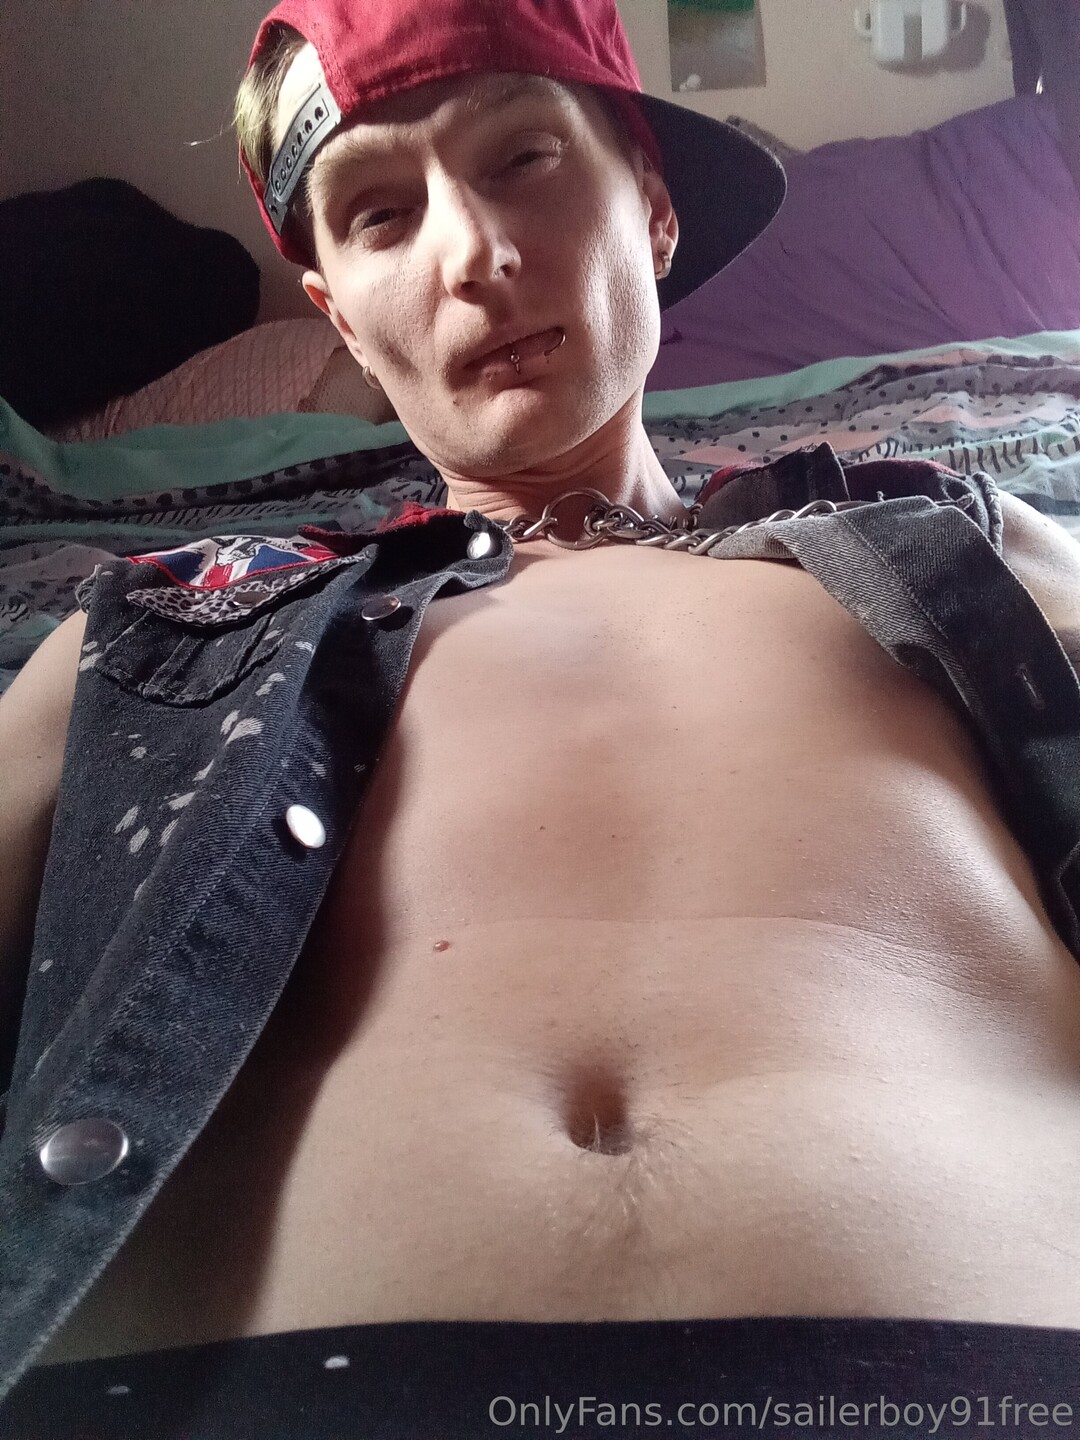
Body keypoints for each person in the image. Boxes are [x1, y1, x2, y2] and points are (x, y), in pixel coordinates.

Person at [4, 0, 1080, 1428]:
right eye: (381, 216)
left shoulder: (963, 540)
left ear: (654, 207)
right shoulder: (153, 629)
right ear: (339, 315)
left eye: (521, 159)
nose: (472, 255)